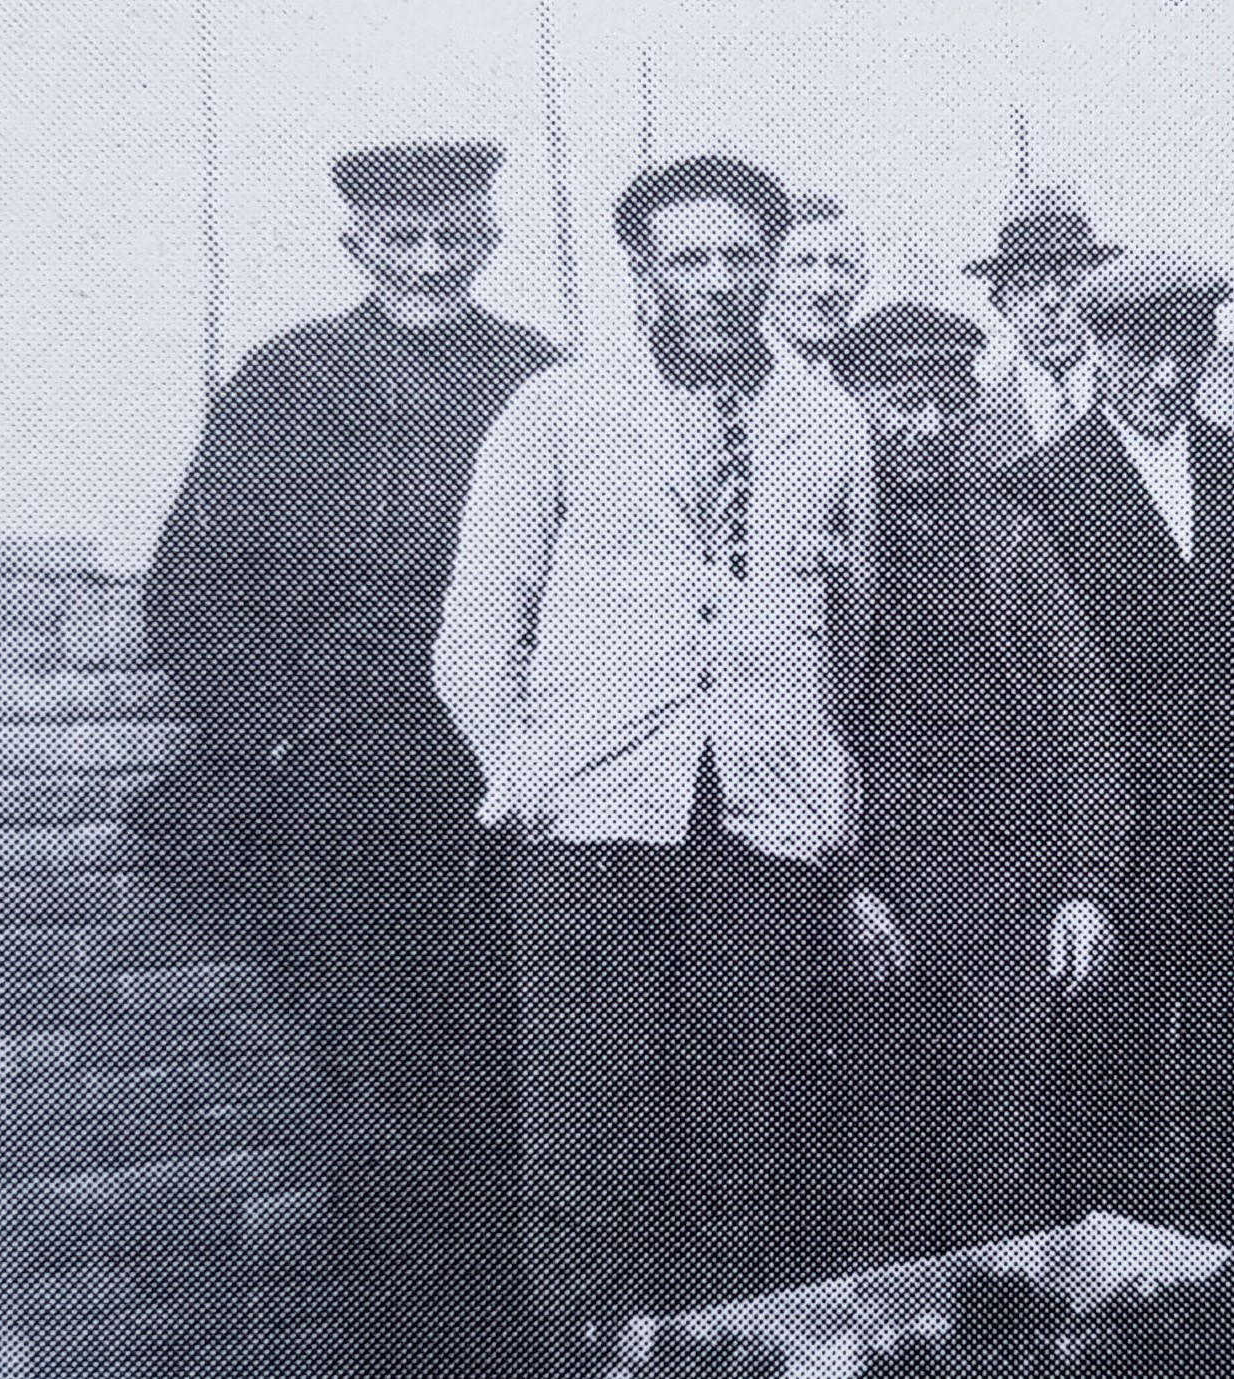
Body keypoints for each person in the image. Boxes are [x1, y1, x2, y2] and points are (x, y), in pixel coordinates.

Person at [432, 153, 870, 1367]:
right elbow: (473, 639)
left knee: (747, 1152)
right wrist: (529, 775)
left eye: (742, 258)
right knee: (590, 1155)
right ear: (641, 273)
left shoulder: (828, 422)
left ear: (770, 270)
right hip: (592, 841)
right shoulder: (555, 411)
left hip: (762, 836)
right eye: (690, 259)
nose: (719, 282)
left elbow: (849, 632)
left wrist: (813, 780)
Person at [138, 142, 557, 1379]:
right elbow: (191, 588)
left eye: (453, 237)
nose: (428, 262)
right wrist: (282, 737)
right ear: (356, 246)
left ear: (489, 242)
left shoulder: (541, 378)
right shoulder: (289, 378)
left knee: (516, 1071)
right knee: (379, 1090)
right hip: (350, 778)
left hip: (508, 766)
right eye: (401, 239)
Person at [825, 302, 1125, 1266]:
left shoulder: (1013, 536)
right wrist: (847, 886)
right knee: (878, 1160)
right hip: (871, 892)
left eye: (945, 403)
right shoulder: (821, 536)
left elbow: (1083, 715)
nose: (925, 427)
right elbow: (794, 724)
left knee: (1011, 1158)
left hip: (1010, 894)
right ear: (854, 403)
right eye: (898, 404)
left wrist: (1087, 886)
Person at [1015, 251, 1234, 1250]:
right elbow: (1040, 697)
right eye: (1142, 352)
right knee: (1109, 1080)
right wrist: (1074, 870)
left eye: (1188, 351)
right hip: (1114, 841)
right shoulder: (1037, 490)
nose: (1166, 376)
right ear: (1099, 347)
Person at [967, 184, 1124, 466]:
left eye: (1071, 280)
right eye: (1028, 284)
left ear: (1100, 295)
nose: (1051, 300)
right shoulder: (973, 427)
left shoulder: (1136, 404)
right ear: (1000, 303)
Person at [765, 193, 869, 376]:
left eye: (840, 265)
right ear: (769, 276)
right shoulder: (743, 369)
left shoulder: (871, 372)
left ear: (861, 280)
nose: (823, 286)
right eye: (803, 264)